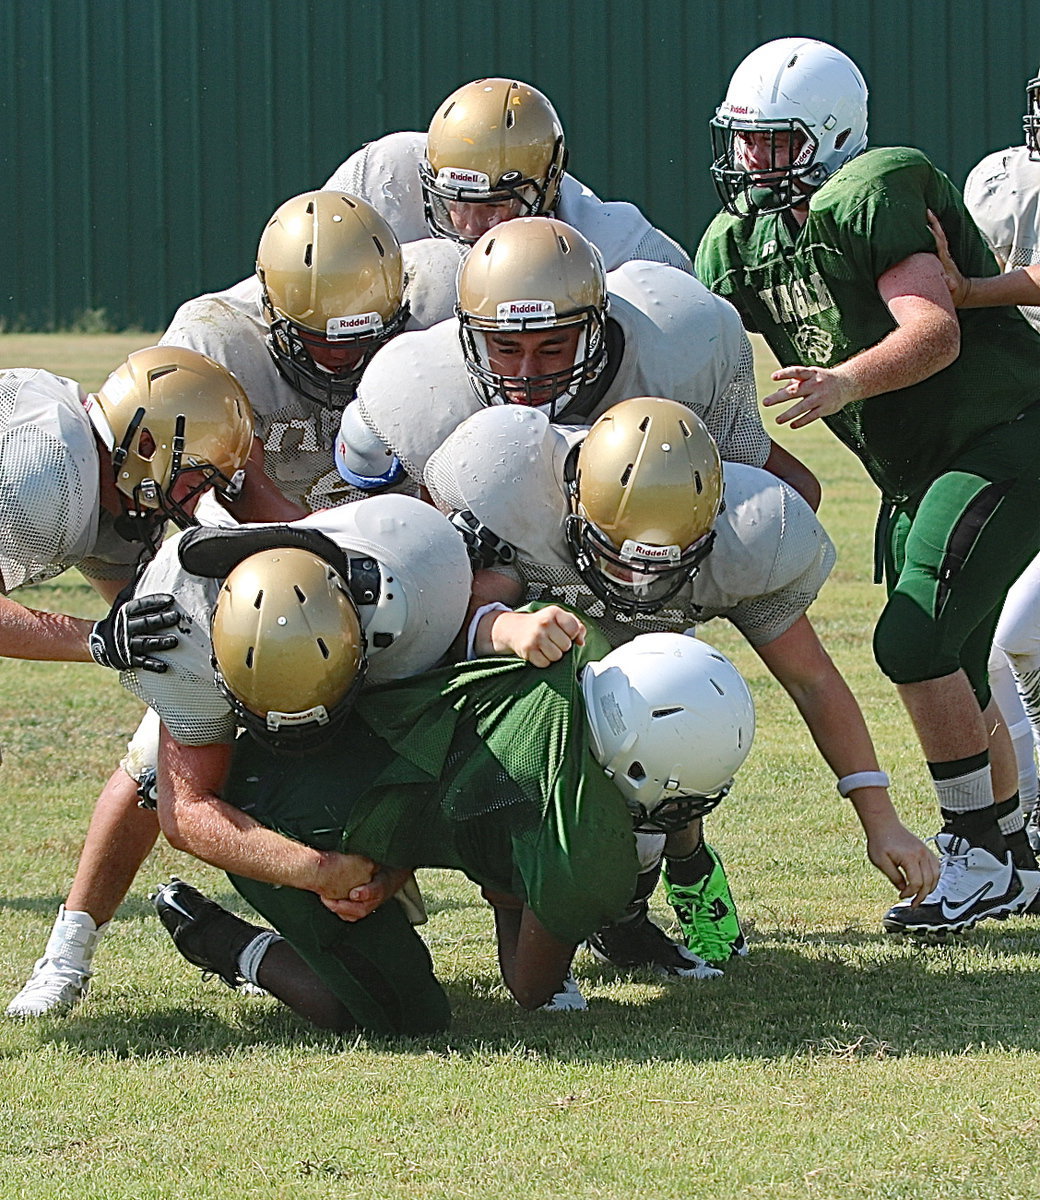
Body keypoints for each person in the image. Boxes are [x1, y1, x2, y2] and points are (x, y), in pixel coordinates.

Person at [7, 188, 458, 1017]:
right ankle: (68, 948)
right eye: (320, 336)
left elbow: (269, 514)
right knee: (162, 746)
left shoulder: (201, 423)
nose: (341, 357)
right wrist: (100, 638)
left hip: (231, 554)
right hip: (152, 547)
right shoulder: (74, 463)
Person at [695, 36, 1040, 938]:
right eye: (745, 141)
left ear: (833, 137)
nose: (752, 162)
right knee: (956, 654)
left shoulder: (872, 188)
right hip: (925, 468)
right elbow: (706, 355)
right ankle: (1010, 854)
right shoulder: (736, 243)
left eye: (777, 143)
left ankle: (975, 852)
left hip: (1003, 437)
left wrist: (844, 381)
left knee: (915, 640)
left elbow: (933, 330)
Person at [148, 546, 755, 1034]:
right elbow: (529, 985)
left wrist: (474, 845)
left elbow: (443, 773)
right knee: (397, 1015)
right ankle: (226, 943)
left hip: (309, 725)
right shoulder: (584, 847)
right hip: (281, 826)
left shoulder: (573, 647)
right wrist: (514, 884)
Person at [423, 398, 937, 974]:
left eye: (662, 565)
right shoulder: (515, 493)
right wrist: (506, 626)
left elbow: (813, 680)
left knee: (681, 708)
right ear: (573, 504)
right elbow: (442, 631)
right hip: (530, 689)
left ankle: (677, 871)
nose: (638, 583)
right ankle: (592, 912)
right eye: (618, 559)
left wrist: (881, 819)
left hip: (645, 681)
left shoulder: (749, 535)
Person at [339, 216, 820, 510]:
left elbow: (788, 493)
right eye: (506, 349)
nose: (527, 373)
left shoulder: (680, 342)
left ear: (595, 331)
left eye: (552, 349)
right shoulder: (416, 390)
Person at [0, 345, 253, 674]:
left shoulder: (112, 486)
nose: (196, 501)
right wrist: (95, 639)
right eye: (195, 482)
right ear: (146, 447)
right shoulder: (48, 471)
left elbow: (155, 627)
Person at [323, 77, 693, 272]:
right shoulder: (377, 179)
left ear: (549, 188)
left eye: (493, 205)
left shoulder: (617, 247)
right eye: (454, 201)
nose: (469, 226)